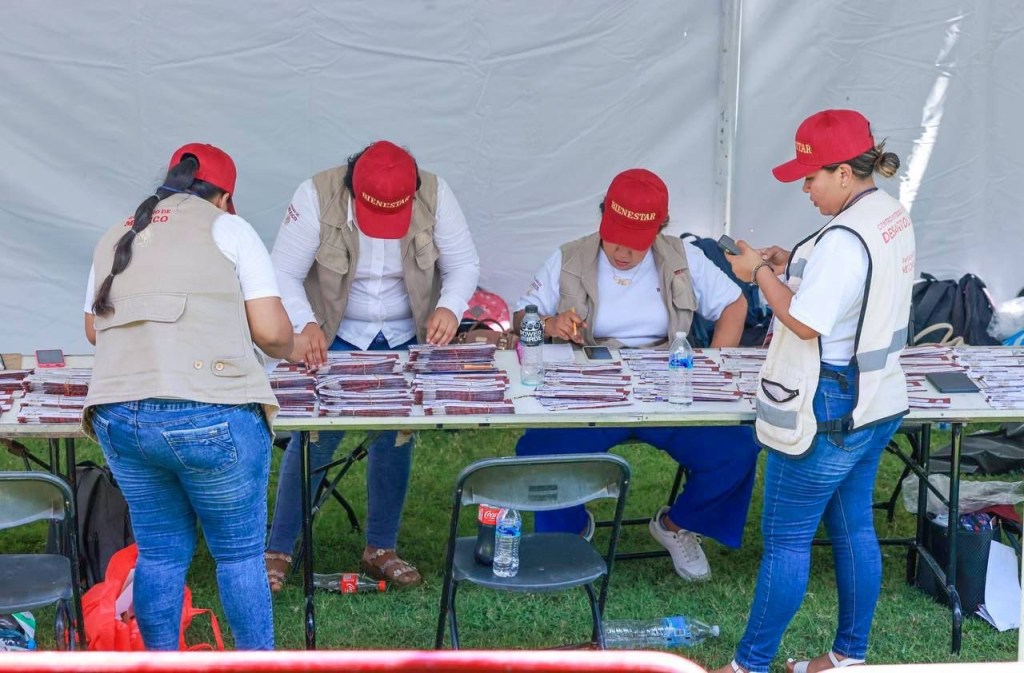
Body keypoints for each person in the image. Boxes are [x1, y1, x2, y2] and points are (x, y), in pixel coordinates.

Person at [712, 110, 915, 673]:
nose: (805, 189)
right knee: (853, 527)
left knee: (786, 541)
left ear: (844, 173)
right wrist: (791, 263)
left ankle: (749, 665)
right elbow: (852, 287)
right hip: (877, 396)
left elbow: (805, 322)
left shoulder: (843, 242)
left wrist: (758, 274)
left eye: (811, 177)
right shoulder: (888, 213)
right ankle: (848, 655)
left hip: (825, 404)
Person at [81, 143, 295, 650]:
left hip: (120, 415)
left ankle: (159, 662)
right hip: (209, 411)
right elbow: (270, 333)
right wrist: (292, 342)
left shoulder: (117, 233)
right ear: (224, 198)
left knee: (159, 553)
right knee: (239, 556)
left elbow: (93, 329)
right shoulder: (229, 229)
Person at [514, 168, 761, 581]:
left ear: (659, 229)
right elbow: (522, 315)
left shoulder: (682, 257)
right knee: (540, 449)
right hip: (591, 387)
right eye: (615, 238)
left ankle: (677, 525)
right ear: (603, 217)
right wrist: (551, 322)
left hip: (668, 383)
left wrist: (711, 365)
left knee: (735, 448)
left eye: (636, 242)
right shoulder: (569, 257)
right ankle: (569, 529)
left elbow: (734, 304)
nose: (623, 252)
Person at [266, 140, 480, 590]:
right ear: (352, 189)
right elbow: (283, 272)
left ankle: (381, 548)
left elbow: (464, 265)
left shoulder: (436, 194)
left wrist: (449, 307)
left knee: (395, 437)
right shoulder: (316, 194)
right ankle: (279, 548)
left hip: (407, 332)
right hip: (334, 331)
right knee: (314, 436)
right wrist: (305, 323)